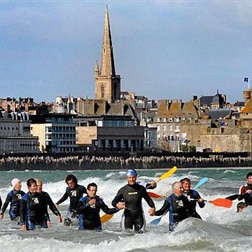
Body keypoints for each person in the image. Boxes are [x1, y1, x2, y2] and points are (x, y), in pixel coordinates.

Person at [112, 169, 155, 233]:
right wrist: (117, 205)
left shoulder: (141, 189)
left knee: (141, 237)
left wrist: (153, 208)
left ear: (136, 177)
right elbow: (113, 202)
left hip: (139, 216)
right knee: (126, 237)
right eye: (130, 178)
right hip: (127, 217)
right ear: (127, 178)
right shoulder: (123, 190)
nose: (131, 179)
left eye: (133, 177)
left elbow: (148, 199)